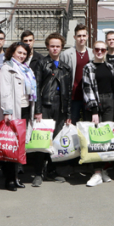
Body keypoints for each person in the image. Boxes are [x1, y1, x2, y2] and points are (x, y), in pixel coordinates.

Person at [32, 33, 72, 184]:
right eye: (52, 46)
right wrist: (38, 110)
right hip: (45, 106)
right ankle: (37, 172)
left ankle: (52, 170)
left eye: (58, 46)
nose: (55, 49)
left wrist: (68, 113)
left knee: (55, 140)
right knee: (42, 140)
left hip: (60, 107)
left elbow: (68, 92)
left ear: (61, 48)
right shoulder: (41, 63)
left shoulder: (66, 67)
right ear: (47, 47)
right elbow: (36, 87)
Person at [0, 41, 37, 191]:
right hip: (14, 110)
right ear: (12, 52)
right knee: (10, 145)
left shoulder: (27, 69)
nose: (21, 56)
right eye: (19, 52)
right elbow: (5, 91)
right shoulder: (7, 68)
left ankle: (16, 177)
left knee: (19, 146)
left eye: (24, 54)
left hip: (26, 109)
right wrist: (7, 111)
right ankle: (9, 179)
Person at [81, 41, 114, 187]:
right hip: (95, 102)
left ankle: (103, 170)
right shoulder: (88, 67)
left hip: (110, 102)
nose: (100, 52)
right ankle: (96, 172)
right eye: (97, 49)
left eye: (103, 49)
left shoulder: (110, 67)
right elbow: (87, 88)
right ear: (93, 50)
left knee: (106, 137)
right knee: (95, 138)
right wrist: (94, 110)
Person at [60, 24, 93, 124]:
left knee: (89, 124)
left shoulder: (92, 53)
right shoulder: (66, 54)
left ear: (87, 36)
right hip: (73, 96)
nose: (81, 38)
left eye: (83, 35)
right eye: (79, 36)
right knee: (72, 123)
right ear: (74, 37)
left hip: (88, 96)